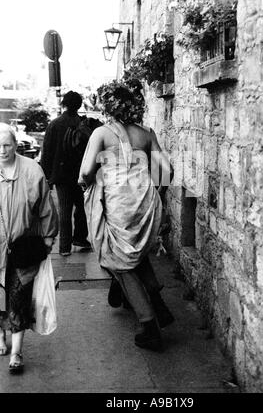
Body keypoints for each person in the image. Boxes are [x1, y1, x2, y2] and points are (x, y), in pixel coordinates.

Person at [79, 83, 174, 351]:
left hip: (118, 205)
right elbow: (168, 170)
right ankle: (159, 305)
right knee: (134, 253)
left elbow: (86, 172)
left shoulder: (102, 133)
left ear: (108, 106)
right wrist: (157, 194)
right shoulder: (146, 134)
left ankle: (149, 325)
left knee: (119, 263)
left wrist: (88, 184)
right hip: (144, 203)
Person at [0, 123, 58, 373]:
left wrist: (47, 240)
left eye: (7, 145)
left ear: (16, 145)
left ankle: (16, 352)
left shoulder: (32, 171)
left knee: (18, 299)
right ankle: (1, 337)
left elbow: (46, 207)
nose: (2, 150)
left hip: (24, 248)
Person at [40, 91, 91, 256]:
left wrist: (47, 177)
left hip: (61, 174)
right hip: (81, 173)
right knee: (82, 207)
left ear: (65, 103)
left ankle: (64, 247)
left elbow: (47, 152)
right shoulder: (84, 124)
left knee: (65, 210)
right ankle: (80, 238)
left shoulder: (55, 124)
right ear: (79, 105)